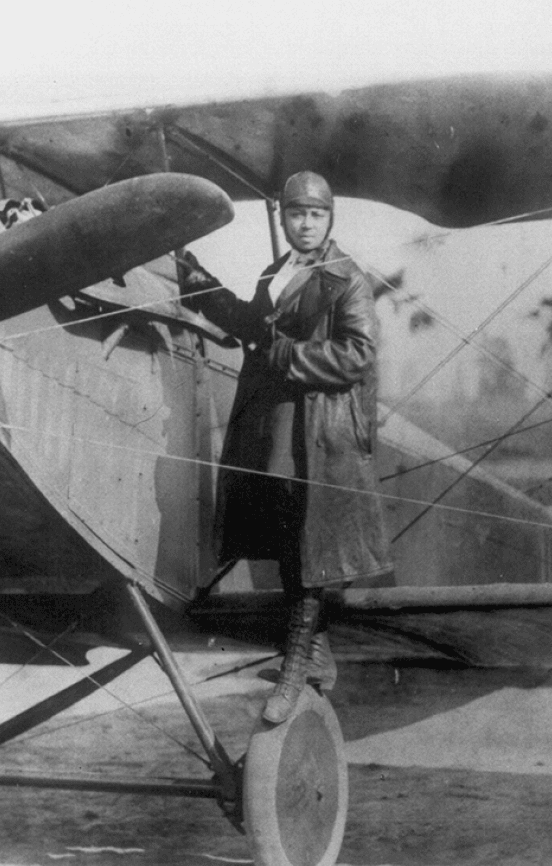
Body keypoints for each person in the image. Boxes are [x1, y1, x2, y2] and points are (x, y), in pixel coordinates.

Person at [178, 171, 392, 723]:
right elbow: (253, 324)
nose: (305, 223)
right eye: (296, 214)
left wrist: (289, 357)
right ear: (283, 218)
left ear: (329, 219)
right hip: (274, 422)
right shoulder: (278, 271)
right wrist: (198, 282)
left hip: (316, 431)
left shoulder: (347, 280)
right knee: (283, 532)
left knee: (307, 545)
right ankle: (316, 656)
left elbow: (358, 355)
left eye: (315, 215)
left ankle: (297, 665)